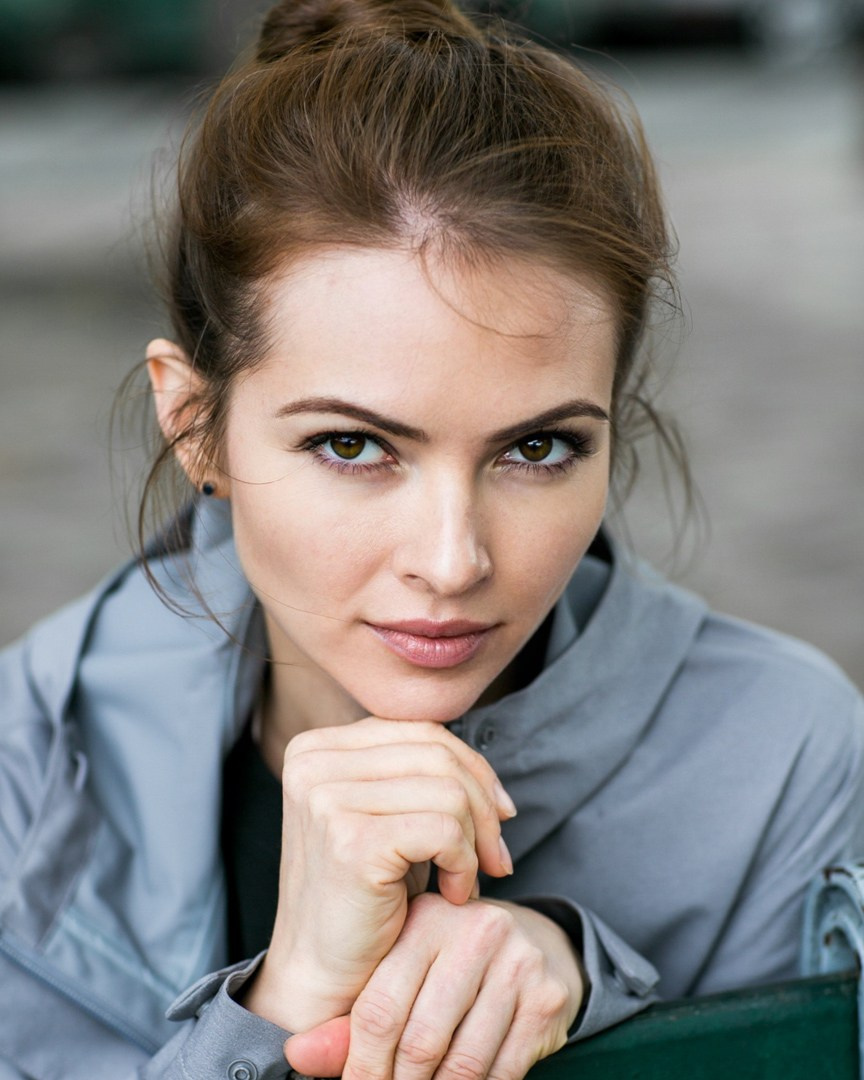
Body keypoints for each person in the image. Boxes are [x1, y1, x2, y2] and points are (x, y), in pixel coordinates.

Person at [2, 0, 863, 1077]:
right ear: (194, 424)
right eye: (353, 446)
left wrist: (601, 1003)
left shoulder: (779, 758)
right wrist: (284, 1003)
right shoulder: (32, 754)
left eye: (538, 448)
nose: (454, 562)